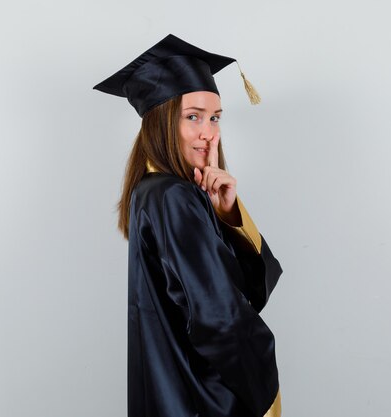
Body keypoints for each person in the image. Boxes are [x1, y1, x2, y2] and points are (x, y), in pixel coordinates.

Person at [93, 34, 283, 417]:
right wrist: (265, 391)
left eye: (214, 118)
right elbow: (222, 317)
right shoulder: (174, 197)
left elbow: (237, 293)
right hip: (204, 399)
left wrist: (226, 215)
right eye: (192, 116)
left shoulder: (150, 192)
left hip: (173, 396)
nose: (208, 132)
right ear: (162, 120)